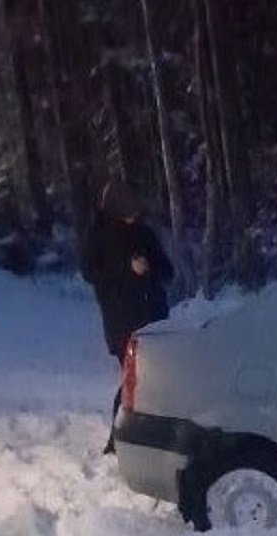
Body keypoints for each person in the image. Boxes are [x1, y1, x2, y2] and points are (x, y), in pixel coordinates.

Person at [80, 180, 172, 454]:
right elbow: (91, 273)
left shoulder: (143, 232)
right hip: (122, 322)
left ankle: (146, 435)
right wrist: (126, 269)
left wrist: (149, 268)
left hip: (154, 317)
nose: (134, 216)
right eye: (129, 210)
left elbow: (167, 271)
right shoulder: (99, 236)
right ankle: (119, 437)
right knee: (135, 378)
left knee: (155, 378)